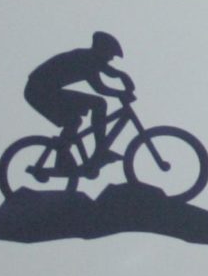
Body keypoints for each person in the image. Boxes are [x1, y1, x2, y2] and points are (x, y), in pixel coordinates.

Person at [23, 31, 135, 174]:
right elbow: (99, 87)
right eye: (110, 55)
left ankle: (65, 157)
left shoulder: (92, 58)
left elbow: (111, 72)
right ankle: (99, 150)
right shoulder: (85, 59)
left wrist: (123, 77)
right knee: (98, 104)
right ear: (101, 50)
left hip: (43, 90)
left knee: (73, 121)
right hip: (39, 91)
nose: (111, 59)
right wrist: (121, 93)